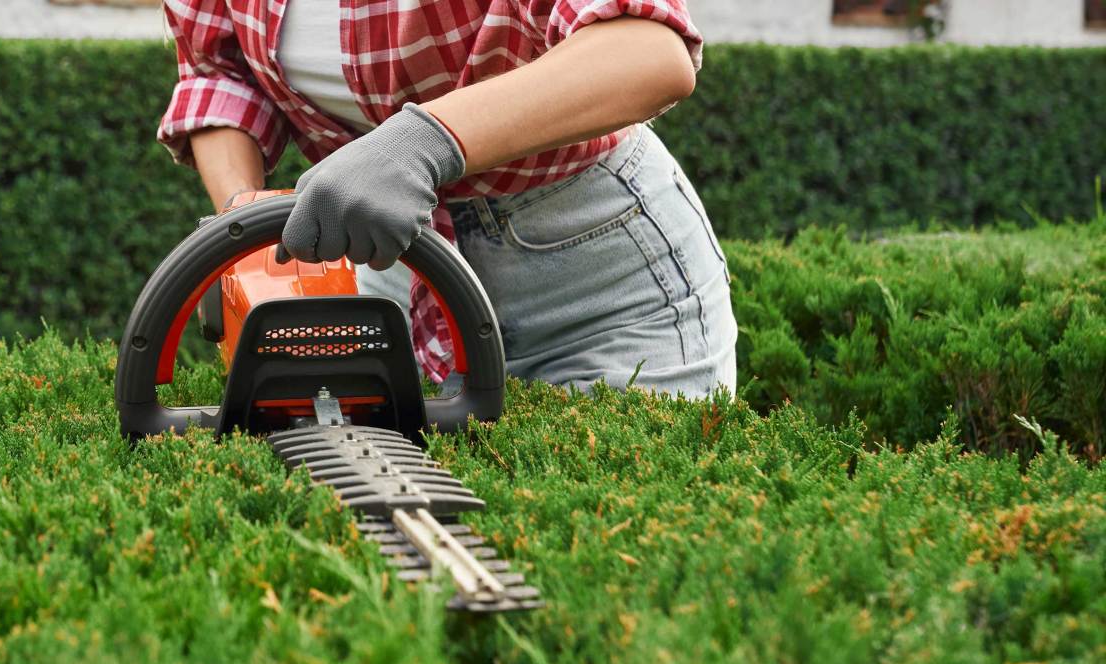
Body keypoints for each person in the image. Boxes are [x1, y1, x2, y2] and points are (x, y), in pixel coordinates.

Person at [159, 0, 736, 399]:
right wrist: (245, 211)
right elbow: (219, 73)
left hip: (596, 291)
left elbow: (647, 49)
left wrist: (425, 141)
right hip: (385, 264)